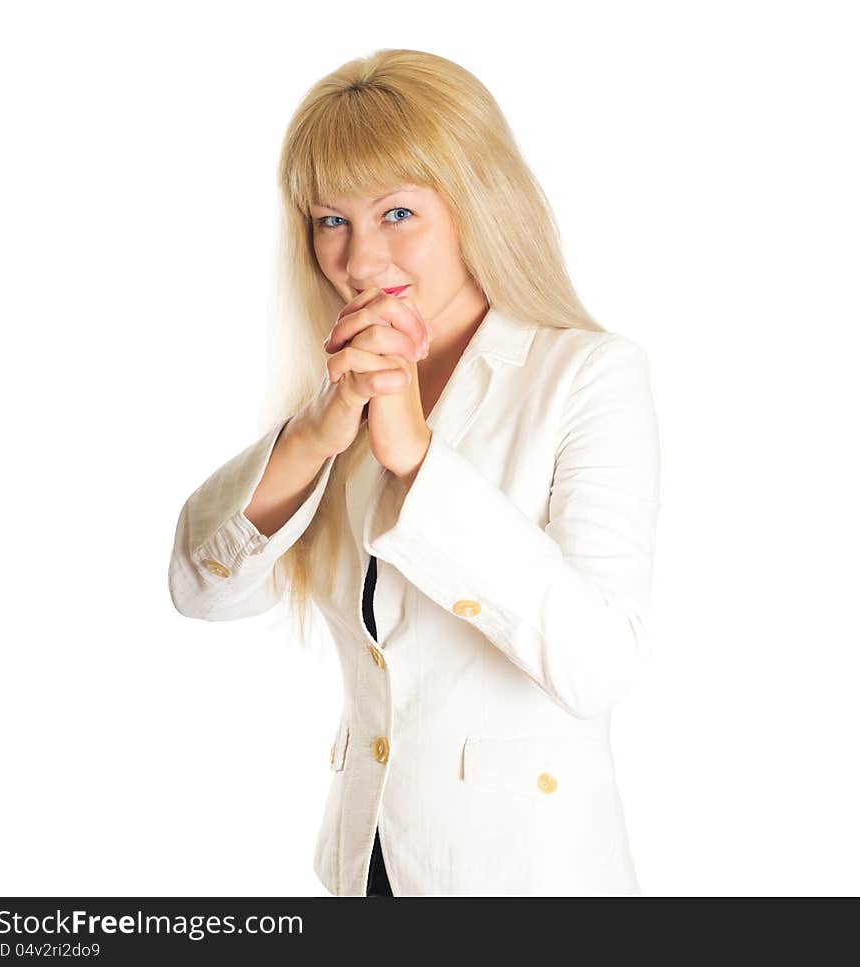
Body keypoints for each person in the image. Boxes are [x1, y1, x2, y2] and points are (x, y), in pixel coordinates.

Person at [168, 48, 662, 897]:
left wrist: (417, 457)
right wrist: (314, 434)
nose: (359, 260)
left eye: (398, 212)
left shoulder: (586, 374)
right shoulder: (338, 397)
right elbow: (200, 589)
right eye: (331, 221)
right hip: (363, 865)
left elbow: (599, 665)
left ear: (478, 202)